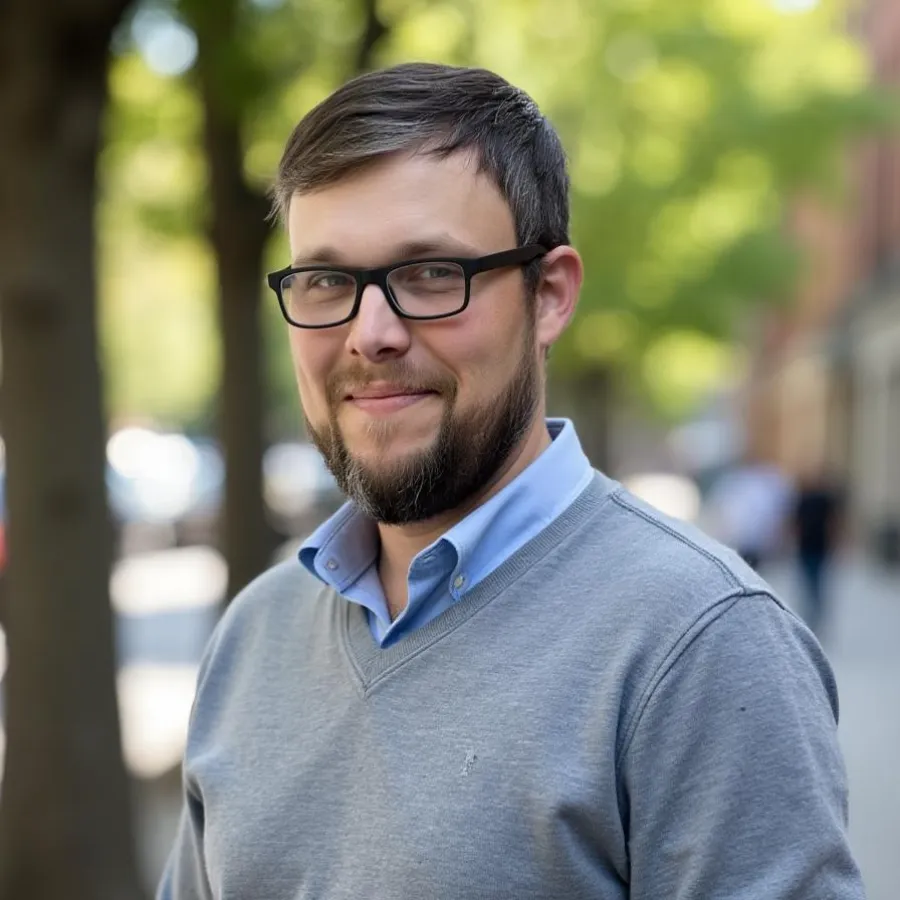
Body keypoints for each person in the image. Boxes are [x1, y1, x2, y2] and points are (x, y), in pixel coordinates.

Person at [158, 63, 863, 899]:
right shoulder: (254, 633)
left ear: (551, 295)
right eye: (326, 281)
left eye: (428, 274)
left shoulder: (700, 645)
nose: (368, 333)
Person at [791, 466, 845, 638]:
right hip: (808, 546)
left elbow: (833, 522)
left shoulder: (823, 499)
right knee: (811, 584)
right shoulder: (805, 498)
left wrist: (837, 543)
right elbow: (795, 522)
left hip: (817, 547)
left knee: (816, 584)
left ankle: (815, 619)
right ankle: (812, 619)